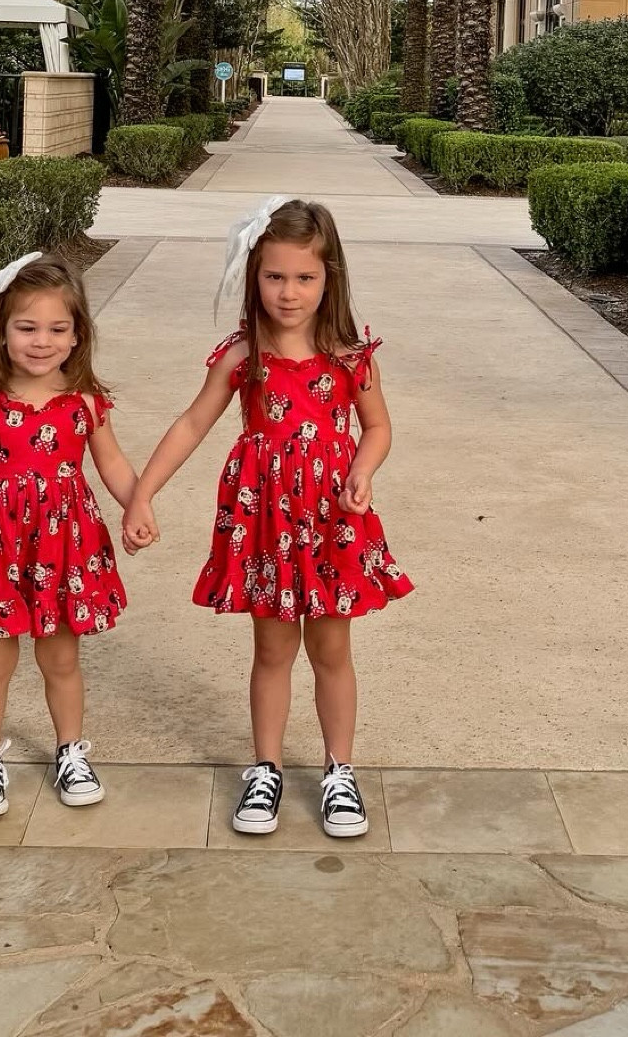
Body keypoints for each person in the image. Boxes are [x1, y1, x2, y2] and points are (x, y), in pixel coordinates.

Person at [122, 196, 412, 840]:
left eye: (305, 278)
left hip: (332, 518)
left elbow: (379, 426)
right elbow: (193, 423)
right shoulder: (240, 355)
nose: (289, 292)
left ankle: (340, 770)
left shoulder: (349, 354)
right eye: (274, 276)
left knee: (332, 648)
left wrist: (364, 468)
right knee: (273, 648)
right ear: (253, 277)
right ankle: (267, 768)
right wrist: (143, 493)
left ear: (329, 276)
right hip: (265, 523)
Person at [0, 250, 135, 819]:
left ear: (78, 333)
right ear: (0, 330)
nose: (42, 341)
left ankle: (70, 752)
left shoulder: (85, 402)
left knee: (61, 660)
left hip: (63, 549)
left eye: (58, 328)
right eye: (27, 327)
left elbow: (111, 466)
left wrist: (138, 504)